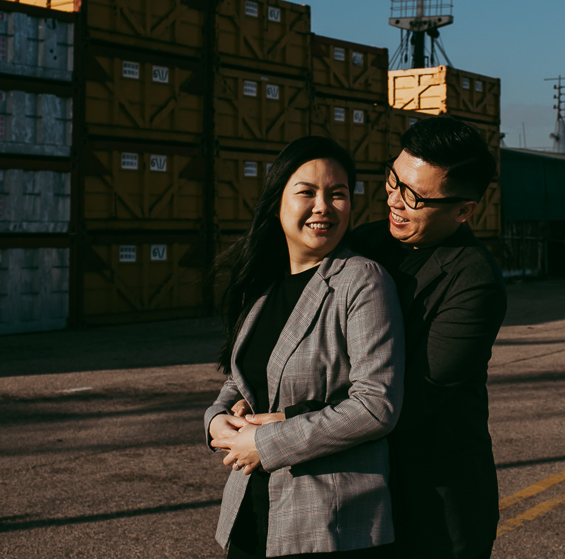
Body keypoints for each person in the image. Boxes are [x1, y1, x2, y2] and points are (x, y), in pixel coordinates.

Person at [238, 117, 507, 558]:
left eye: (416, 197)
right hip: (357, 483)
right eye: (393, 180)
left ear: (463, 210)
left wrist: (286, 419)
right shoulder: (366, 240)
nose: (396, 201)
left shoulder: (474, 283)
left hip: (430, 497)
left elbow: (406, 399)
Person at [205, 136, 404, 558]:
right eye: (307, 192)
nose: (323, 207)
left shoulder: (362, 280)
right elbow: (244, 380)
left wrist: (267, 443)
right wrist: (216, 421)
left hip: (329, 525)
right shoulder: (263, 283)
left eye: (337, 194)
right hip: (252, 513)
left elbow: (376, 405)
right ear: (278, 201)